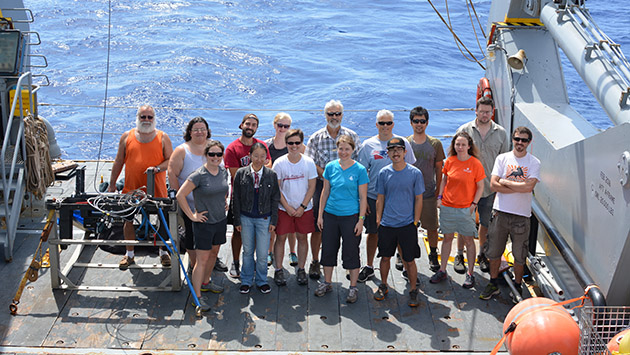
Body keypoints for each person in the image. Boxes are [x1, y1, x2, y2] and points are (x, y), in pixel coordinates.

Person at [108, 105, 173, 269]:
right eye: (143, 117)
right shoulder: (126, 136)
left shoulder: (163, 137)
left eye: (149, 117)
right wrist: (112, 184)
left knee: (162, 220)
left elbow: (170, 161)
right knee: (128, 221)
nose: (146, 120)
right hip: (131, 189)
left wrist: (157, 168)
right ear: (137, 118)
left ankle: (163, 252)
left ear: (154, 119)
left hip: (157, 189)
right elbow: (118, 161)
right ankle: (129, 254)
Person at [480, 127, 540, 302]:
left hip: (521, 217)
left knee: (519, 255)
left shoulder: (534, 162)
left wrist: (505, 182)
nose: (520, 143)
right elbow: (493, 186)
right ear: (512, 139)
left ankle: (518, 285)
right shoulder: (502, 158)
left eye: (524, 140)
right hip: (500, 214)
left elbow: (529, 187)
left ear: (529, 142)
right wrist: (518, 186)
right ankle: (493, 283)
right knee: (494, 252)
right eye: (517, 139)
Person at [356, 109, 415, 282]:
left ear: (393, 124)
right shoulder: (368, 145)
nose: (385, 126)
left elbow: (411, 170)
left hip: (398, 199)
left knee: (400, 233)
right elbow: (362, 174)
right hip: (374, 197)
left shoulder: (403, 142)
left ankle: (406, 266)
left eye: (388, 123)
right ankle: (368, 266)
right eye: (382, 123)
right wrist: (364, 199)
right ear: (376, 125)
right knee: (373, 232)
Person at [305, 100, 361, 280]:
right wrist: (329, 176)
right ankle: (315, 260)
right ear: (325, 115)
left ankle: (348, 263)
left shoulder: (352, 135)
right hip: (323, 185)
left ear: (342, 115)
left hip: (349, 188)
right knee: (318, 226)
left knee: (348, 228)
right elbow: (310, 163)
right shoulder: (315, 138)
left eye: (337, 114)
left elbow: (359, 161)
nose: (334, 117)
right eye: (330, 114)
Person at [168, 118, 228, 277]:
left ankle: (209, 265)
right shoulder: (182, 150)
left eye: (203, 128)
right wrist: (177, 200)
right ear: (189, 132)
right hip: (190, 206)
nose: (200, 132)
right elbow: (172, 174)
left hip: (213, 206)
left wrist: (224, 198)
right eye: (196, 129)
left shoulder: (215, 147)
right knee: (191, 238)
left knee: (213, 241)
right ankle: (195, 268)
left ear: (208, 131)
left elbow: (223, 174)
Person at [455, 97, 508, 273]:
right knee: (464, 222)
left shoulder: (501, 133)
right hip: (466, 188)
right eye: (482, 111)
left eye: (488, 111)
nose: (485, 114)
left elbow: (504, 162)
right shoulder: (464, 130)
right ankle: (459, 255)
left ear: (492, 112)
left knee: (485, 224)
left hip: (489, 189)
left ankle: (482, 255)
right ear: (475, 110)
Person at [176, 140, 229, 312]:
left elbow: (223, 190)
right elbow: (180, 195)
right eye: (211, 154)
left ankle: (206, 283)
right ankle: (197, 297)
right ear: (205, 155)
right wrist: (192, 216)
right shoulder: (198, 175)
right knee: (201, 260)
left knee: (214, 254)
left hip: (220, 220)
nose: (215, 157)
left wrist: (224, 203)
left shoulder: (223, 171)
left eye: (218, 154)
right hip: (204, 224)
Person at [315, 135, 368, 303]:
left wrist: (361, 220)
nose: (343, 152)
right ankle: (327, 282)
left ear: (353, 150)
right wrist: (320, 215)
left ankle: (353, 287)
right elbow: (325, 192)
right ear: (336, 149)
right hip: (331, 214)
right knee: (328, 249)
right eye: (341, 149)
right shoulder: (330, 167)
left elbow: (363, 197)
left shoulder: (359, 170)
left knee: (351, 251)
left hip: (350, 216)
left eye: (347, 149)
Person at [373, 137, 424, 307]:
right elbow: (380, 197)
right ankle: (384, 285)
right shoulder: (383, 173)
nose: (396, 153)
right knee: (385, 257)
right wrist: (379, 219)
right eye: (392, 150)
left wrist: (415, 221)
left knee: (409, 260)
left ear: (405, 152)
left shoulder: (415, 173)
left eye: (399, 149)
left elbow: (419, 199)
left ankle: (412, 290)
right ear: (387, 153)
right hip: (387, 224)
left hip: (407, 224)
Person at [429, 131, 484, 288]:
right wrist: (440, 198)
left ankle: (471, 273)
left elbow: (480, 187)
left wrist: (474, 204)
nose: (460, 147)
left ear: (469, 146)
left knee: (468, 241)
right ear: (454, 145)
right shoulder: (450, 161)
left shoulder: (475, 164)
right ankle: (442, 270)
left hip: (466, 209)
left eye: (463, 144)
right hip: (448, 207)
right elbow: (444, 181)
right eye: (457, 144)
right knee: (447, 239)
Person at [224, 113, 271, 278]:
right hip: (240, 198)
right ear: (241, 125)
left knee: (259, 232)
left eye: (253, 125)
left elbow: (268, 166)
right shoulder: (232, 148)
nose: (250, 127)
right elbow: (236, 175)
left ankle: (256, 265)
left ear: (257, 128)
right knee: (238, 232)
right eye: (247, 124)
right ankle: (236, 262)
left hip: (261, 198)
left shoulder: (262, 145)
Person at [232, 142, 280, 294]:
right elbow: (236, 198)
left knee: (262, 253)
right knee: (247, 251)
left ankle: (261, 280)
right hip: (246, 218)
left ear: (266, 158)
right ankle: (246, 280)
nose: (259, 159)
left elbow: (275, 199)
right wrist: (237, 220)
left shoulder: (271, 175)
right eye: (256, 156)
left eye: (262, 156)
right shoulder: (241, 173)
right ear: (249, 156)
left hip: (264, 219)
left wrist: (273, 221)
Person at [272, 129, 317, 286]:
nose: (294, 146)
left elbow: (312, 186)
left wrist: (302, 207)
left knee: (302, 238)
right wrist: (288, 207)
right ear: (286, 144)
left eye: (297, 142)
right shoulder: (279, 163)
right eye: (290, 143)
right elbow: (277, 188)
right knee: (281, 238)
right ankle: (278, 270)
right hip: (284, 209)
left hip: (304, 208)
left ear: (302, 143)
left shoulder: (308, 162)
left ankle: (301, 269)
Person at [407, 106, 445, 273]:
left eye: (422, 121)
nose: (419, 124)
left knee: (432, 227)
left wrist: (438, 192)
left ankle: (433, 254)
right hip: (409, 194)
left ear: (427, 123)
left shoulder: (435, 144)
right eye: (416, 121)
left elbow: (439, 169)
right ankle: (406, 255)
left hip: (428, 193)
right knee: (408, 227)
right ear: (411, 123)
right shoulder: (406, 143)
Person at [264, 112, 304, 268]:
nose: (282, 128)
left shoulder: (294, 145)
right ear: (274, 125)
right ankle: (269, 251)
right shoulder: (267, 145)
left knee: (292, 227)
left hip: (289, 191)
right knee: (273, 224)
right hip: (271, 191)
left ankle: (292, 251)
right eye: (280, 125)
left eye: (286, 126)